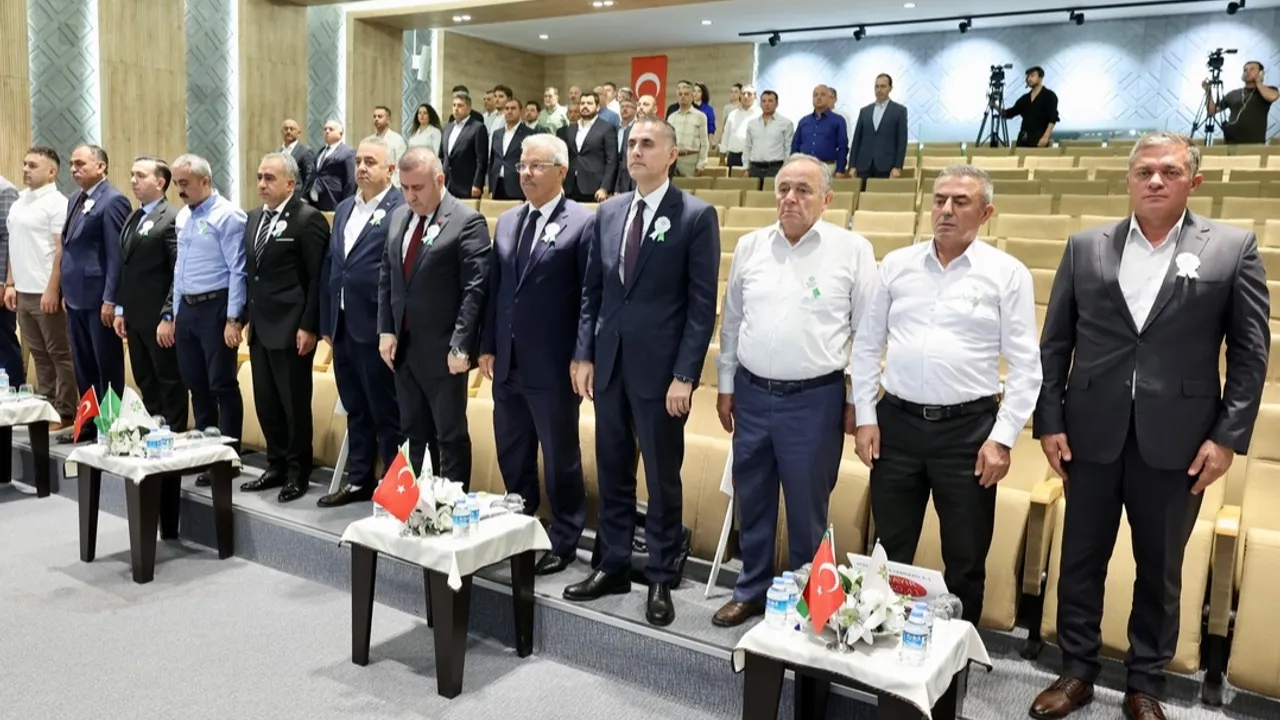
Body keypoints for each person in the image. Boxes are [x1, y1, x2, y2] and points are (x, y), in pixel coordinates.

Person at [1030, 132, 1269, 720]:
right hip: (1090, 431)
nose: (1155, 180)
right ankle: (1076, 669)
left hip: (1179, 440)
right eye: (1144, 171)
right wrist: (1050, 419)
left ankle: (1145, 682)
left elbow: (1249, 353)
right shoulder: (1085, 247)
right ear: (1129, 180)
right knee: (1080, 557)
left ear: (1194, 180)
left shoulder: (1231, 247)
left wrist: (1227, 438)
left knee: (1160, 570)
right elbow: (1055, 343)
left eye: (1169, 171)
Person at [851, 164, 1042, 626]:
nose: (947, 211)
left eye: (961, 202)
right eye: (939, 200)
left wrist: (1003, 439)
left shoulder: (1007, 274)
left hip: (969, 434)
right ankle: (881, 637)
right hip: (896, 425)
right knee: (889, 548)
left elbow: (1026, 366)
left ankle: (958, 651)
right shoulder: (896, 265)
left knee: (965, 555)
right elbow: (867, 346)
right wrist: (866, 416)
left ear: (986, 213)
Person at [563, 117, 719, 627]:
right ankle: (611, 564)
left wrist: (685, 375)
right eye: (631, 143)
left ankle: (660, 575)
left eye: (647, 144)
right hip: (609, 366)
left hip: (661, 375)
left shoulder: (695, 215)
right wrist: (584, 354)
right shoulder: (609, 212)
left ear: (671, 154)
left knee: (661, 477)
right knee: (612, 470)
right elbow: (592, 292)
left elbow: (701, 307)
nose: (635, 151)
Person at [712, 154, 876, 627]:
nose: (790, 198)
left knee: (807, 508)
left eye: (803, 190)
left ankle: (812, 602)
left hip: (813, 400)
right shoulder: (751, 246)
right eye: (783, 188)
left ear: (827, 199)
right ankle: (752, 589)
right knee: (753, 497)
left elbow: (867, 335)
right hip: (751, 393)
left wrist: (857, 402)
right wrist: (726, 385)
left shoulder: (852, 250)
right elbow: (733, 322)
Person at [479, 134, 590, 575]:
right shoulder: (508, 220)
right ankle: (521, 526)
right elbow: (496, 290)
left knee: (560, 456)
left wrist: (582, 355)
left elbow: (588, 298)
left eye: (536, 166)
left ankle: (565, 537)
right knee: (512, 450)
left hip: (554, 365)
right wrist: (487, 345)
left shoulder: (581, 222)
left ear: (561, 171)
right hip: (507, 362)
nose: (525, 173)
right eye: (522, 166)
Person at [377, 148, 490, 489]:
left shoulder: (466, 221)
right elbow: (388, 276)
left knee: (449, 436)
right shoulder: (399, 217)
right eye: (404, 188)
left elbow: (475, 289)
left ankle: (451, 507)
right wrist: (386, 329)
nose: (410, 196)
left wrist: (461, 345)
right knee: (413, 432)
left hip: (444, 350)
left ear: (439, 180)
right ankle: (418, 505)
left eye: (418, 188)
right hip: (405, 348)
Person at [317, 137, 406, 508]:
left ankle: (395, 488)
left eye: (371, 161)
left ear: (391, 169)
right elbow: (333, 265)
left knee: (387, 412)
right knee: (355, 407)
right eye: (358, 161)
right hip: (343, 324)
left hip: (377, 326)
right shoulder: (343, 208)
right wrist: (326, 320)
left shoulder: (401, 208)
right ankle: (358, 480)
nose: (362, 167)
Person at [237, 153, 327, 503]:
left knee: (293, 403)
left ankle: (297, 470)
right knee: (266, 400)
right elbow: (253, 275)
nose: (262, 184)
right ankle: (275, 464)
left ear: (291, 183)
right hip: (260, 326)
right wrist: (244, 318)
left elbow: (317, 278)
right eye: (260, 177)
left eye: (270, 178)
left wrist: (309, 325)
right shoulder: (253, 218)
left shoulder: (307, 219)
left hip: (292, 327)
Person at [169, 154, 247, 488]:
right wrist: (175, 313)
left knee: (222, 384)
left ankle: (227, 458)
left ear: (205, 180)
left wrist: (234, 318)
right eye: (176, 183)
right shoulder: (183, 216)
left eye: (185, 183)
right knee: (196, 383)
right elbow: (179, 268)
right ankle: (203, 452)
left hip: (216, 306)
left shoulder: (228, 215)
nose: (179, 190)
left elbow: (238, 269)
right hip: (188, 308)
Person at [112, 156, 187, 430]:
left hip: (158, 316)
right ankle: (153, 429)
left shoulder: (172, 217)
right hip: (134, 316)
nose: (134, 181)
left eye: (141, 176)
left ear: (160, 182)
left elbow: (178, 270)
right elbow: (125, 266)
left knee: (168, 378)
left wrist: (168, 314)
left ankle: (175, 432)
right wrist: (121, 308)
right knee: (145, 378)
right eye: (132, 175)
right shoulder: (134, 216)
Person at [62, 144, 129, 440]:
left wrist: (111, 299)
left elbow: (116, 256)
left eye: (80, 164)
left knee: (106, 366)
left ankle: (111, 428)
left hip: (99, 298)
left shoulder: (113, 200)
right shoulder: (75, 199)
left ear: (101, 167)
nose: (74, 169)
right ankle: (88, 423)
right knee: (84, 365)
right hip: (75, 296)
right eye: (72, 164)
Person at [4, 147, 75, 425]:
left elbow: (61, 250)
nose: (25, 169)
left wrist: (53, 289)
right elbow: (14, 244)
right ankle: (46, 407)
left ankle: (66, 411)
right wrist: (11, 283)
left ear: (51, 172)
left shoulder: (57, 203)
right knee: (38, 354)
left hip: (46, 290)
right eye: (25, 164)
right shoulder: (19, 201)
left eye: (33, 165)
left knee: (59, 353)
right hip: (23, 291)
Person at [849, 74, 909, 185]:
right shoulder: (864, 111)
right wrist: (852, 165)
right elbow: (857, 140)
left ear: (890, 88)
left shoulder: (899, 111)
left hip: (886, 166)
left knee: (881, 195)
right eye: (877, 86)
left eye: (883, 86)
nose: (879, 90)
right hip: (863, 166)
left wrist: (897, 167)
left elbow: (902, 141)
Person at [559, 91, 618, 203]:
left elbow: (612, 161)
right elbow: (563, 158)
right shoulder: (570, 129)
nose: (585, 106)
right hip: (570, 186)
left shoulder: (606, 128)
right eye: (582, 103)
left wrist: (604, 188)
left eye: (589, 103)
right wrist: (559, 184)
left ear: (597, 107)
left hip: (594, 188)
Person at [1205, 61, 1279, 145]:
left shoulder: (1268, 90)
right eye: (1245, 70)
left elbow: (1272, 97)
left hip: (1255, 145)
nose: (1247, 72)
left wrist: (1259, 82)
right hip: (1231, 144)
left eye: (1252, 69)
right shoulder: (1233, 94)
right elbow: (1212, 110)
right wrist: (1208, 91)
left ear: (1261, 73)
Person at [0, 175, 25, 390]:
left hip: (1, 282)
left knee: (3, 338)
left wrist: (4, 281)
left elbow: (8, 238)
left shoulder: (5, 190)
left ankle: (15, 390)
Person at [439, 91, 489, 201]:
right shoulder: (447, 127)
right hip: (447, 183)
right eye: (454, 105)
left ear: (469, 109)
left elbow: (481, 160)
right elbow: (442, 156)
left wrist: (477, 184)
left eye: (460, 105)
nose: (456, 109)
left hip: (467, 185)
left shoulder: (477, 128)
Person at [792, 85, 849, 176]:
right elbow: (795, 146)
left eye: (822, 94)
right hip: (804, 168)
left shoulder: (838, 120)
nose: (818, 97)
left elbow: (843, 147)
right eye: (815, 95)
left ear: (829, 98)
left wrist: (840, 169)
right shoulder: (804, 121)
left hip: (827, 167)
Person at [488, 97, 536, 202]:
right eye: (506, 108)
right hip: (497, 185)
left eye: (513, 108)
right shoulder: (497, 133)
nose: (509, 111)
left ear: (521, 111)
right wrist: (491, 186)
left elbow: (532, 163)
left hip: (517, 186)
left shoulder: (529, 134)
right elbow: (493, 160)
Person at [1001, 66, 1060, 148]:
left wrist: (1045, 137)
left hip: (1039, 137)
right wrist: (995, 106)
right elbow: (1010, 113)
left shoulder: (1049, 96)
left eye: (1032, 76)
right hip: (1023, 138)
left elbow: (1053, 118)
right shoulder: (1024, 98)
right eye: (1028, 76)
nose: (1029, 79)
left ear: (1040, 78)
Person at [303, 120, 356, 211]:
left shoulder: (348, 152)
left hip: (334, 201)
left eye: (331, 129)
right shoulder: (321, 151)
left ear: (340, 133)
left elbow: (351, 180)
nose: (327, 131)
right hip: (315, 202)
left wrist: (346, 204)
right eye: (325, 129)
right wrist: (304, 196)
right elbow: (314, 174)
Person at [743, 90, 794, 180]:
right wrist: (746, 168)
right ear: (760, 104)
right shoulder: (752, 124)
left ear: (777, 104)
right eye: (764, 101)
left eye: (770, 101)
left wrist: (786, 169)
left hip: (775, 168)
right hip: (754, 168)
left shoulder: (786, 123)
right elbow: (748, 147)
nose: (767, 104)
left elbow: (788, 148)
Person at [667, 83, 709, 178]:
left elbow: (704, 143)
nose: (683, 97)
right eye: (680, 94)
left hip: (691, 161)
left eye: (686, 94)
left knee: (688, 187)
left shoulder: (700, 116)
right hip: (673, 160)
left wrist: (701, 163)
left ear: (692, 97)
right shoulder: (671, 117)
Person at [718, 86, 760, 170]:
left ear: (755, 96)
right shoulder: (732, 114)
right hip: (734, 156)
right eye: (743, 94)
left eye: (749, 94)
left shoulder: (760, 114)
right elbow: (726, 137)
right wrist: (722, 159)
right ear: (740, 96)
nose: (746, 96)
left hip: (754, 157)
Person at [278, 118, 316, 192]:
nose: (288, 131)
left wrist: (303, 196)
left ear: (298, 132)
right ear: (281, 131)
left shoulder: (306, 151)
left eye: (292, 129)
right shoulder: (277, 152)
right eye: (286, 129)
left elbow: (309, 177)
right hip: (279, 193)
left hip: (296, 194)